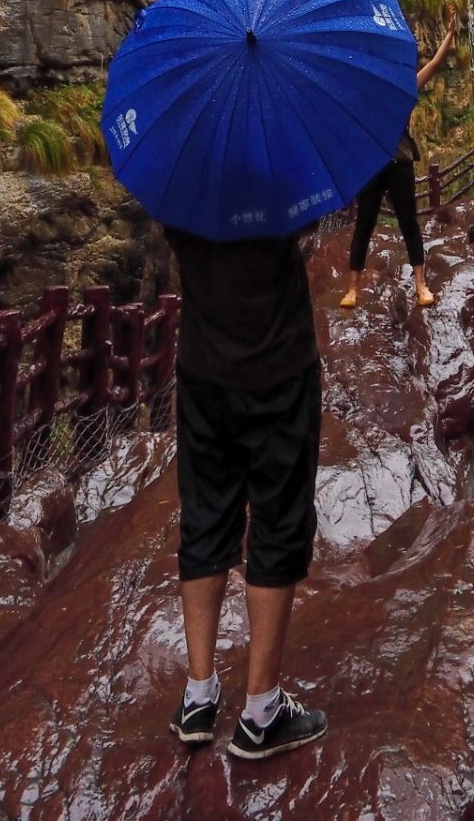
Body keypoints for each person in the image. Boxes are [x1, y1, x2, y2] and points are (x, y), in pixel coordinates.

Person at [165, 219, 327, 760]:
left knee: (205, 513)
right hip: (279, 363)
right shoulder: (278, 161)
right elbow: (306, 219)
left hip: (204, 368)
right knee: (279, 521)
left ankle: (198, 696)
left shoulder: (177, 171)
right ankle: (260, 713)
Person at [339, 10, 457, 311]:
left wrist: (450, 36)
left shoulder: (406, 87)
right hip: (372, 162)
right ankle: (353, 288)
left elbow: (433, 65)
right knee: (364, 224)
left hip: (400, 161)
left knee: (409, 224)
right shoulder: (363, 91)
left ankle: (421, 284)